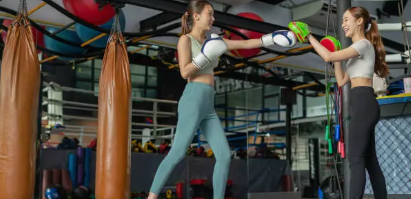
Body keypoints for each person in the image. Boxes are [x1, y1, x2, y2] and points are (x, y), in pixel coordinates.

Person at [147, 1, 297, 199]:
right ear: (197, 16)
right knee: (178, 152)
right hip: (193, 98)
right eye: (210, 14)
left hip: (208, 103)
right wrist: (206, 55)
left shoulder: (213, 41)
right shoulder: (186, 40)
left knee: (225, 156)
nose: (213, 18)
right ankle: (152, 197)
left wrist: (272, 38)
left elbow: (245, 43)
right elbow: (184, 72)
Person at [289, 6, 388, 199]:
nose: (342, 25)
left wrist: (309, 36)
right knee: (370, 162)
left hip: (364, 102)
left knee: (355, 159)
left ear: (359, 21)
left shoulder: (363, 45)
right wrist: (335, 56)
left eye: (345, 20)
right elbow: (342, 80)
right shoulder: (356, 51)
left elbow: (327, 56)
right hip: (361, 102)